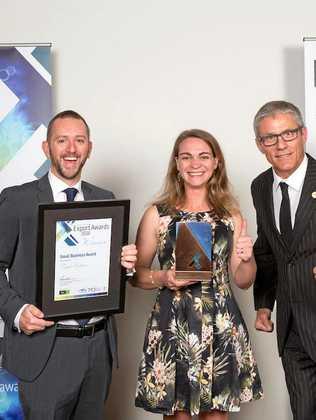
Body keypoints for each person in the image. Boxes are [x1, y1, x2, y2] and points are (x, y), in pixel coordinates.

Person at [0, 110, 137, 420]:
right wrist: (17, 312)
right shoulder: (17, 200)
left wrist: (125, 266)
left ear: (89, 147)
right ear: (47, 148)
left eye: (79, 141)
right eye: (62, 140)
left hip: (98, 348)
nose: (71, 149)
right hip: (45, 348)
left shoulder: (106, 199)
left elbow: (110, 276)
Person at [131, 129, 263, 420]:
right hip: (172, 321)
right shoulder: (158, 214)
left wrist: (248, 258)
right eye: (187, 157)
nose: (195, 164)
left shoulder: (231, 215)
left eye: (204, 156)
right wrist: (164, 278)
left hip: (220, 321)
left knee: (215, 415)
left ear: (216, 162)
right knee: (177, 414)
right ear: (176, 163)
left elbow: (243, 280)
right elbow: (136, 276)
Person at [252, 100, 316, 420]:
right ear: (259, 144)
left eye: (288, 134)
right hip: (291, 328)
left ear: (303, 134)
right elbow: (267, 250)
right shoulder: (260, 186)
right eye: (269, 138)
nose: (280, 144)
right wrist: (264, 304)